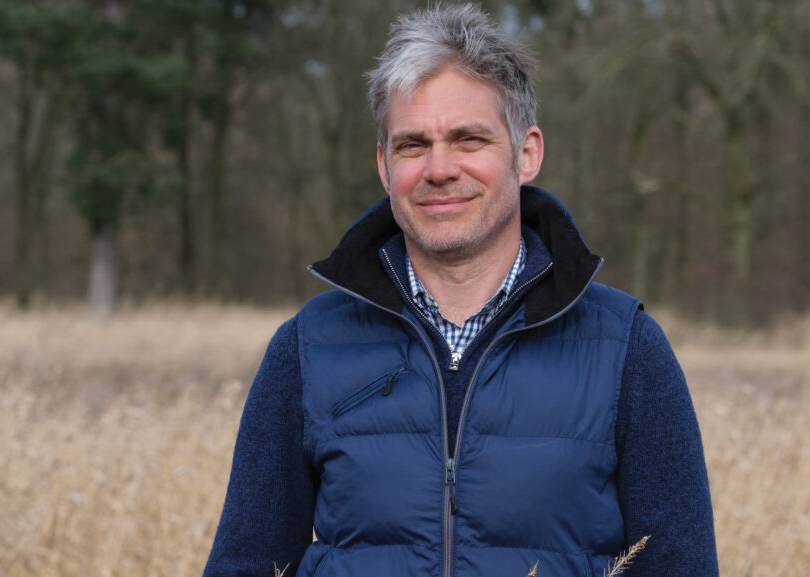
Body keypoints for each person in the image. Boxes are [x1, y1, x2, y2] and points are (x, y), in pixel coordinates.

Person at [202, 4, 718, 577]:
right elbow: (245, 565)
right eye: (412, 145)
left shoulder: (627, 349)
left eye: (469, 139)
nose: (440, 168)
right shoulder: (307, 349)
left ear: (527, 153)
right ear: (383, 165)